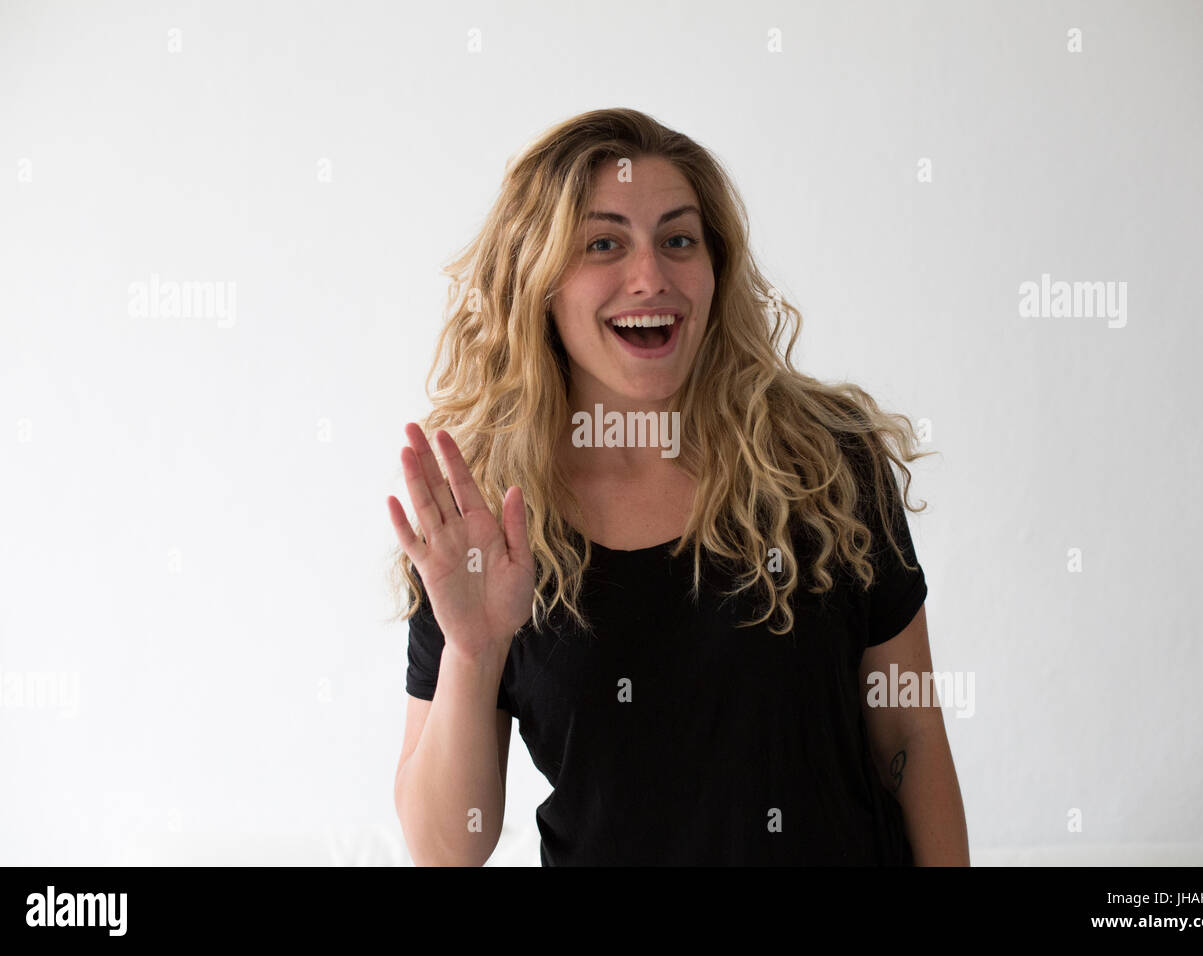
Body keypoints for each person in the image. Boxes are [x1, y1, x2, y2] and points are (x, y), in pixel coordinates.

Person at [386, 108, 969, 866]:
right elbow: (445, 849)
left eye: (678, 239)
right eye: (604, 243)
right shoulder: (478, 517)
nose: (651, 277)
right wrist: (474, 650)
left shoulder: (825, 464)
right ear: (537, 282)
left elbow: (912, 736)